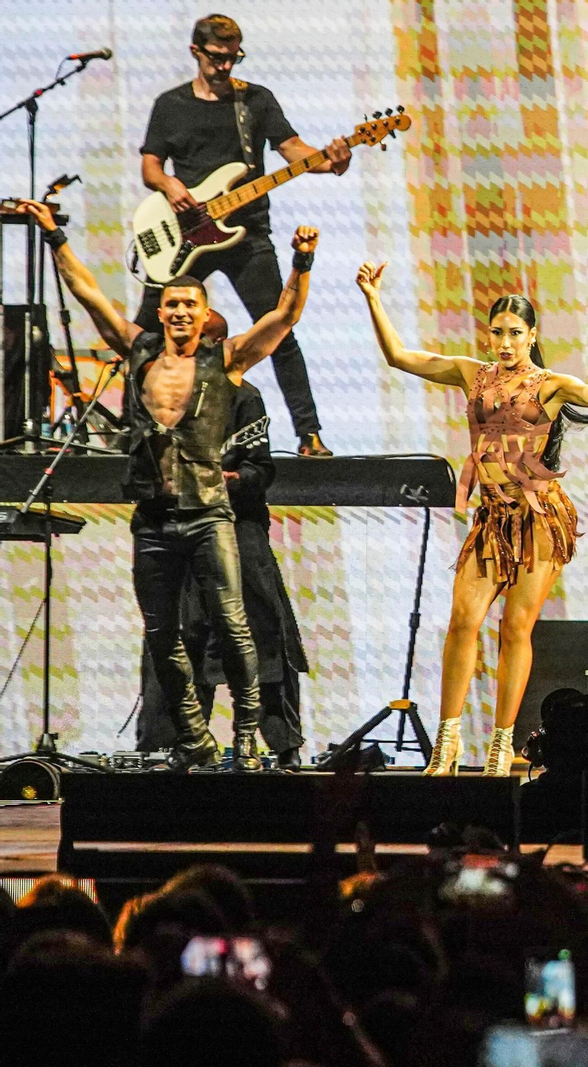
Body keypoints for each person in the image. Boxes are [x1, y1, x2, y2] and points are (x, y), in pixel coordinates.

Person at [18, 198, 317, 773]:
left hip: (209, 514)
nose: (180, 312)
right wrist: (56, 238)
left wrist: (301, 262)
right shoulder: (138, 353)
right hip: (154, 518)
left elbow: (284, 318)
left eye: (190, 305)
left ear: (204, 315)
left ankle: (249, 732)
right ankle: (194, 737)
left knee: (234, 627)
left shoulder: (227, 360)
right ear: (163, 312)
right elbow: (89, 295)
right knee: (162, 636)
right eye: (173, 303)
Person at [355, 261, 588, 776]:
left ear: (532, 335)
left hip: (538, 519)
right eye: (497, 332)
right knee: (463, 621)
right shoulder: (472, 374)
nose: (504, 343)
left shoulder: (550, 384)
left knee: (515, 628)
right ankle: (448, 740)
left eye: (514, 334)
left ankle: (502, 743)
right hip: (491, 519)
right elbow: (400, 357)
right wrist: (374, 298)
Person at [135, 12, 349, 457]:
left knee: (280, 328)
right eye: (216, 58)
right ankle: (132, 433)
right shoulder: (171, 105)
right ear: (196, 52)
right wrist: (170, 185)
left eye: (233, 58)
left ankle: (309, 435)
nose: (225, 67)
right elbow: (150, 165)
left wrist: (332, 160)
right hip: (185, 236)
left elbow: (292, 149)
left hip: (245, 234)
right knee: (145, 336)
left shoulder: (255, 101)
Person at [136, 370, 309, 769]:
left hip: (236, 524)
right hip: (180, 526)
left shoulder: (242, 397)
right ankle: (179, 742)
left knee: (261, 629)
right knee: (178, 633)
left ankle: (277, 743)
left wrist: (230, 479)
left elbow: (260, 469)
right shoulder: (162, 391)